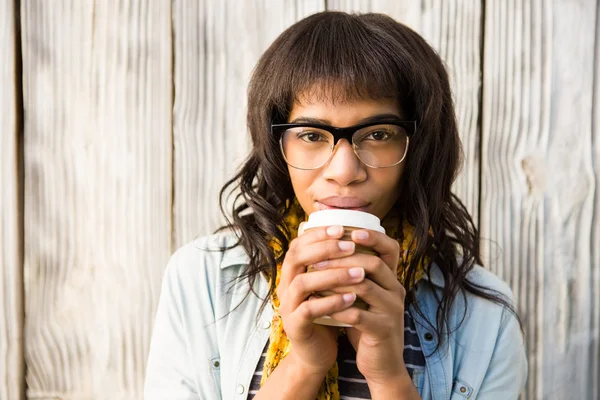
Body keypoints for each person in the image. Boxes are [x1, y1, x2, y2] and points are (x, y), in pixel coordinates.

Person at [144, 11, 528, 400]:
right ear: (278, 146)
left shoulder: (484, 315)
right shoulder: (204, 281)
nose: (344, 171)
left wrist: (388, 376)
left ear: (420, 148)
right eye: (311, 134)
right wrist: (304, 364)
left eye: (378, 134)